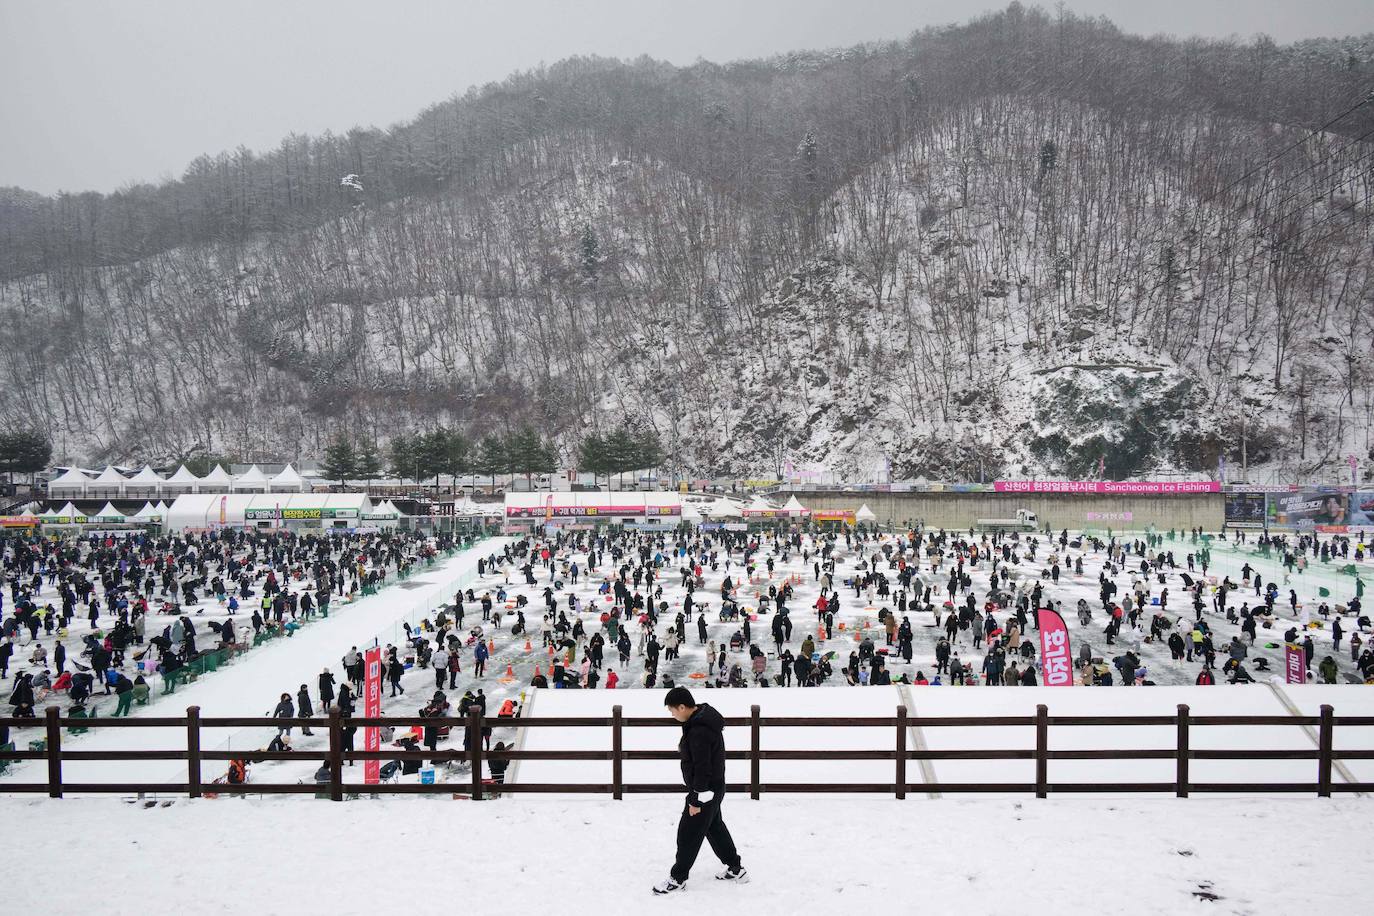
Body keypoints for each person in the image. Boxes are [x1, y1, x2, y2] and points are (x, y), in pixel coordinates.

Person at [653, 686, 746, 895]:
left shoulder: (699, 731)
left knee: (688, 834)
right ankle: (736, 868)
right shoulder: (702, 720)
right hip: (714, 788)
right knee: (715, 828)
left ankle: (678, 878)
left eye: (672, 710)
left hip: (704, 791)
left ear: (682, 707)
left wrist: (696, 799)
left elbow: (702, 767)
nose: (672, 714)